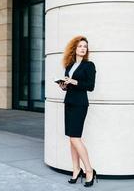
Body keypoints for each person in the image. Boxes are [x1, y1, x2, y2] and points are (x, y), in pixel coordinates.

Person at [58, 36, 97, 187]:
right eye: (80, 46)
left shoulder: (89, 65)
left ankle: (89, 170)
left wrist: (74, 81)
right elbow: (69, 85)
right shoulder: (70, 65)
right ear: (74, 48)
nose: (83, 48)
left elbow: (90, 86)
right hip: (69, 102)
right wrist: (63, 86)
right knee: (71, 138)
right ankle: (76, 169)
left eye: (85, 46)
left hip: (80, 104)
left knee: (75, 138)